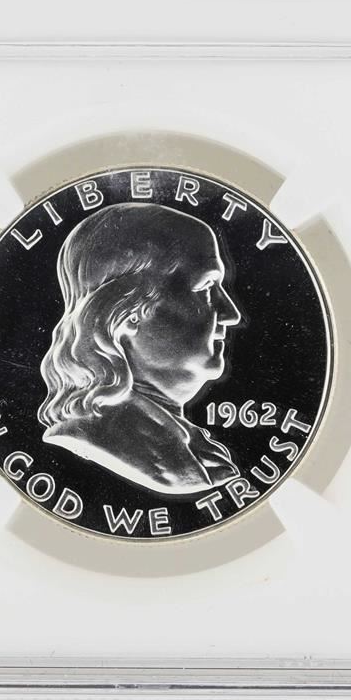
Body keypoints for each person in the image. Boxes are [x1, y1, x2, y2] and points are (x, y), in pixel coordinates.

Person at [38, 202, 242, 494]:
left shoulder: (193, 447)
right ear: (124, 314)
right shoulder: (104, 440)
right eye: (206, 288)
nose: (231, 314)